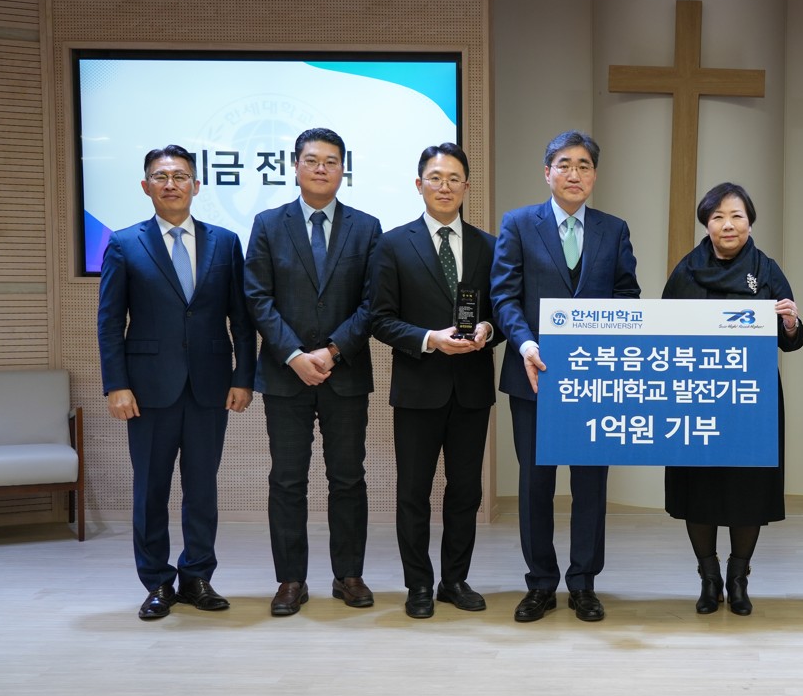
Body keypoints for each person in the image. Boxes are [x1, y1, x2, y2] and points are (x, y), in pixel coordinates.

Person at [97, 145, 256, 620]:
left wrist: (243, 376)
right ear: (146, 186)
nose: (171, 184)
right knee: (151, 489)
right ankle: (157, 582)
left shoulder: (226, 242)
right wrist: (116, 384)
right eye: (161, 176)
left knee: (203, 488)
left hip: (210, 384)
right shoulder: (125, 243)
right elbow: (110, 321)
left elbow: (241, 320)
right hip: (147, 389)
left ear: (196, 185)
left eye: (181, 176)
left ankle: (197, 576)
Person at [490, 130, 640, 623]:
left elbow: (626, 294)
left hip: (593, 382)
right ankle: (539, 584)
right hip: (533, 374)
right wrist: (525, 341)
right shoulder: (518, 224)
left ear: (594, 175)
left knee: (590, 484)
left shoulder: (613, 229)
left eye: (584, 165)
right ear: (547, 172)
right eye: (564, 164)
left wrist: (604, 339)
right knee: (535, 484)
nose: (574, 174)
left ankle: (583, 582)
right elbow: (504, 296)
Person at [244, 127, 382, 617]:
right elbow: (256, 298)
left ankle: (349, 575)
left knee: (348, 478)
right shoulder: (267, 223)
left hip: (344, 374)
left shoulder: (367, 227)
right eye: (312, 160)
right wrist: (295, 355)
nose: (321, 168)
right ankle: (291, 580)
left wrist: (333, 350)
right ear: (295, 166)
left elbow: (373, 303)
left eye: (331, 161)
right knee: (287, 480)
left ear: (344, 169)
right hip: (285, 375)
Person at [662, 183, 803, 615]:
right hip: (697, 400)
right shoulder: (686, 270)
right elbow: (663, 332)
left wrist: (791, 324)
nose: (728, 224)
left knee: (749, 491)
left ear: (750, 221)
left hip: (752, 403)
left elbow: (792, 343)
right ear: (706, 223)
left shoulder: (766, 270)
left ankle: (738, 578)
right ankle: (708, 579)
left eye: (737, 215)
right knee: (699, 490)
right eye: (718, 216)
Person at [371, 143, 501, 619]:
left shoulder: (489, 246)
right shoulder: (392, 244)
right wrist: (429, 338)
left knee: (466, 490)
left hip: (471, 388)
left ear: (467, 187)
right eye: (435, 177)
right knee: (414, 493)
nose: (444, 186)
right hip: (418, 387)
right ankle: (418, 585)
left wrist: (488, 329)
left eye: (454, 179)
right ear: (419, 183)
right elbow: (380, 319)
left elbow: (502, 312)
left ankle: (455, 579)